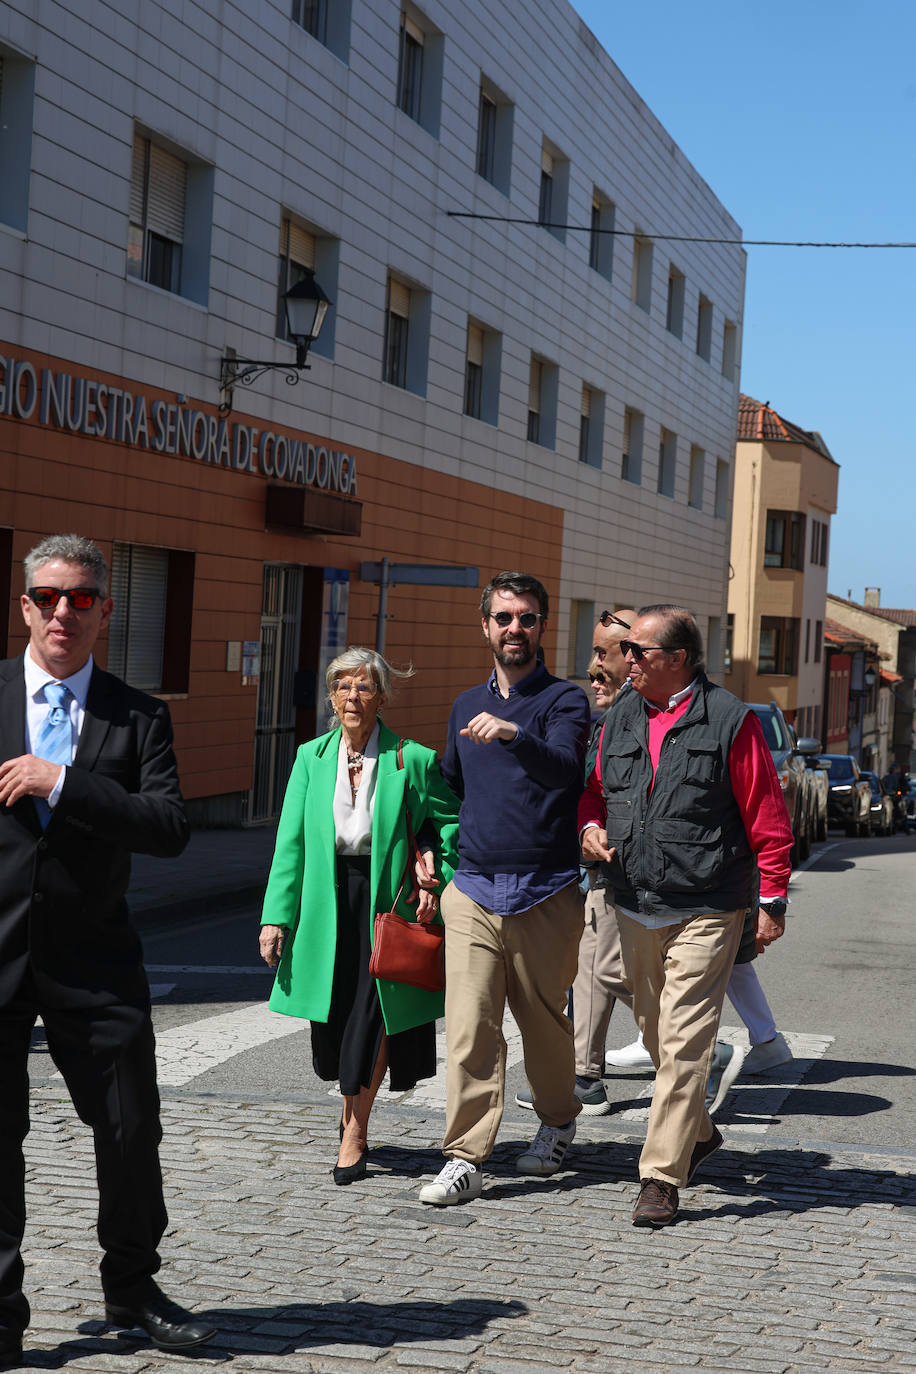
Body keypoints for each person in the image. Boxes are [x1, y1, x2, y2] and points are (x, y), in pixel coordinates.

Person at [0, 534, 214, 1365]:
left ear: (105, 612)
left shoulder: (138, 714)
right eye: (49, 596)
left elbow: (169, 827)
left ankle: (132, 1287)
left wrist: (66, 783)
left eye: (82, 599)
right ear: (25, 604)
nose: (64, 612)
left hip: (96, 960)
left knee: (129, 1129)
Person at [581, 604, 792, 1228]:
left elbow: (767, 816)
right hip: (633, 900)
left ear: (677, 659)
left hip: (708, 904)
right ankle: (697, 1133)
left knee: (682, 1043)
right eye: (626, 651)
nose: (625, 660)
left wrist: (772, 899)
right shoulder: (619, 715)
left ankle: (661, 1176)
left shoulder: (728, 720)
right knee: (655, 1034)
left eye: (637, 651)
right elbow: (593, 792)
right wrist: (590, 827)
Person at [419, 571, 591, 1206]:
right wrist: (427, 850)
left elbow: (569, 773)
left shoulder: (565, 701)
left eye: (526, 618)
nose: (514, 628)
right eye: (503, 617)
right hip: (474, 887)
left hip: (547, 889)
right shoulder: (465, 705)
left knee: (544, 1023)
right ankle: (465, 1155)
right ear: (484, 626)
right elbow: (451, 790)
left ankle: (556, 1120)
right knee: (468, 1027)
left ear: (542, 626)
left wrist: (517, 734)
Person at [260, 648, 459, 1185]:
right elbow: (291, 843)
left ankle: (354, 1132)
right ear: (330, 696)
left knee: (371, 1020)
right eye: (343, 687)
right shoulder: (310, 757)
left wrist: (434, 865)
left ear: (383, 696)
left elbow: (450, 823)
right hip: (326, 905)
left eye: (364, 687)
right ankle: (353, 1112)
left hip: (385, 904)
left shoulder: (409, 758)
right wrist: (275, 917)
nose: (353, 697)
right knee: (332, 1028)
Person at [516, 607, 642, 1115]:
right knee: (596, 965)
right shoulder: (615, 716)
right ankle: (588, 1075)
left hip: (621, 867)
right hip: (604, 864)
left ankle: (693, 1049)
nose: (591, 669)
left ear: (632, 659)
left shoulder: (632, 719)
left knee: (600, 966)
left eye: (600, 654)